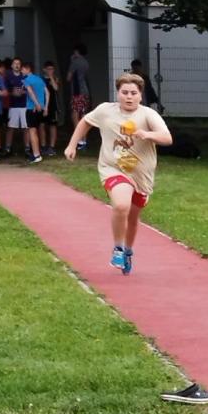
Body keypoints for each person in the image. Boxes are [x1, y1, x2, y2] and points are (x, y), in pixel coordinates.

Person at [64, 70, 172, 275]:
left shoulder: (148, 114)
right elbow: (85, 121)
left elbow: (167, 138)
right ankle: (118, 248)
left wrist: (147, 134)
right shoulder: (105, 110)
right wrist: (72, 145)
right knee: (121, 205)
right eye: (125, 92)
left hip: (141, 174)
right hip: (112, 168)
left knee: (133, 218)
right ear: (118, 93)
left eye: (133, 93)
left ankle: (128, 250)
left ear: (140, 95)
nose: (129, 97)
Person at [21, 59, 47, 162]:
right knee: (37, 130)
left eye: (22, 69)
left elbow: (31, 92)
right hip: (41, 108)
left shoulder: (26, 80)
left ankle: (36, 155)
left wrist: (36, 104)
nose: (21, 71)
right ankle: (37, 153)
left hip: (32, 108)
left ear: (28, 69)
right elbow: (47, 93)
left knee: (32, 131)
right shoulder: (39, 79)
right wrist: (45, 106)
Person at [68, 42, 91, 147]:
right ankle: (84, 140)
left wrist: (72, 61)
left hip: (77, 92)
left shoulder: (75, 62)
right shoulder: (85, 62)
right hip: (85, 91)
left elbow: (69, 77)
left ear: (76, 51)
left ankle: (79, 139)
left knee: (75, 115)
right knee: (83, 115)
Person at [41, 60, 61, 154]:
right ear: (44, 69)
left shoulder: (55, 78)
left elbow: (56, 88)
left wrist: (51, 77)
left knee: (52, 126)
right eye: (48, 69)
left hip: (53, 105)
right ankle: (43, 145)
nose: (50, 71)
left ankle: (52, 147)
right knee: (41, 125)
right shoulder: (41, 79)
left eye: (52, 69)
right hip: (42, 105)